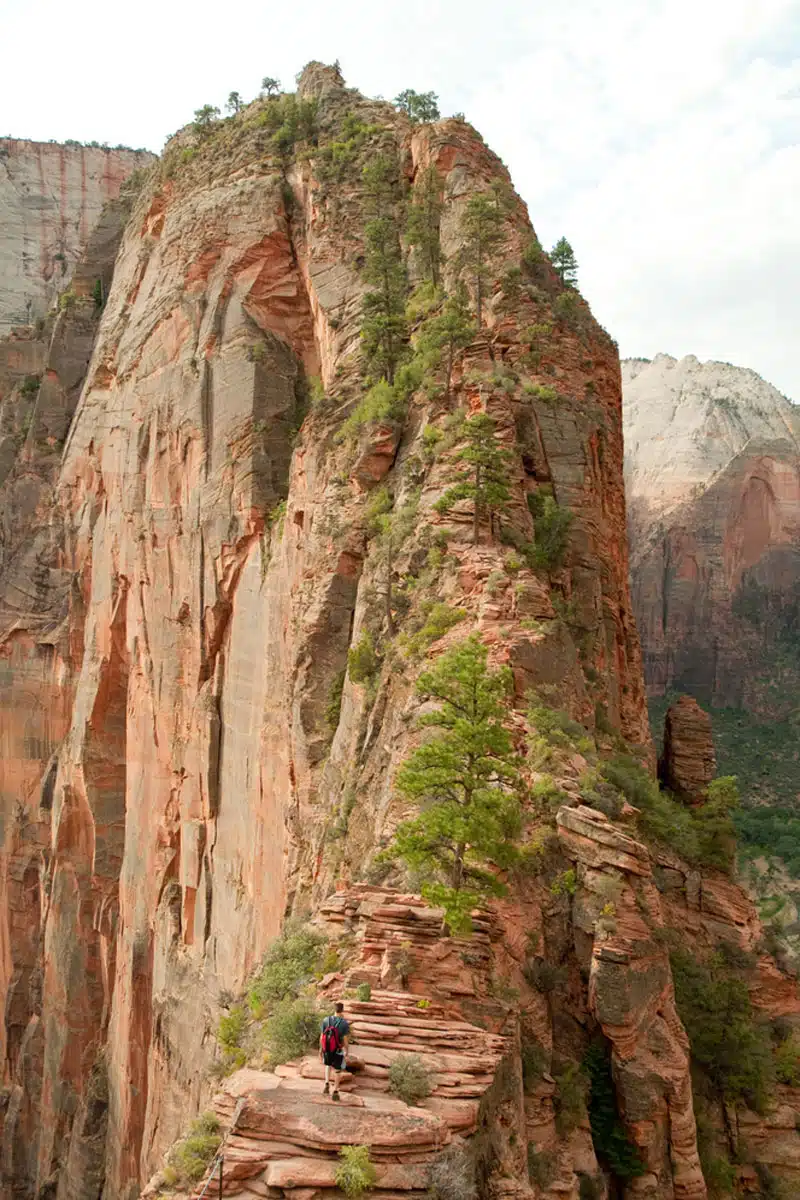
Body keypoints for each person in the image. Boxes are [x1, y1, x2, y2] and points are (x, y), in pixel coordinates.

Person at [319, 1001, 350, 1101]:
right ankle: (335, 1092)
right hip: (337, 1049)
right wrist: (346, 1051)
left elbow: (322, 1036)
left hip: (327, 1048)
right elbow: (345, 1040)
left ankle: (326, 1084)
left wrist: (321, 1049)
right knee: (337, 1070)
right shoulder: (344, 1023)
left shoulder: (325, 1020)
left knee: (328, 1064)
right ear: (342, 1010)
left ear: (334, 1009)